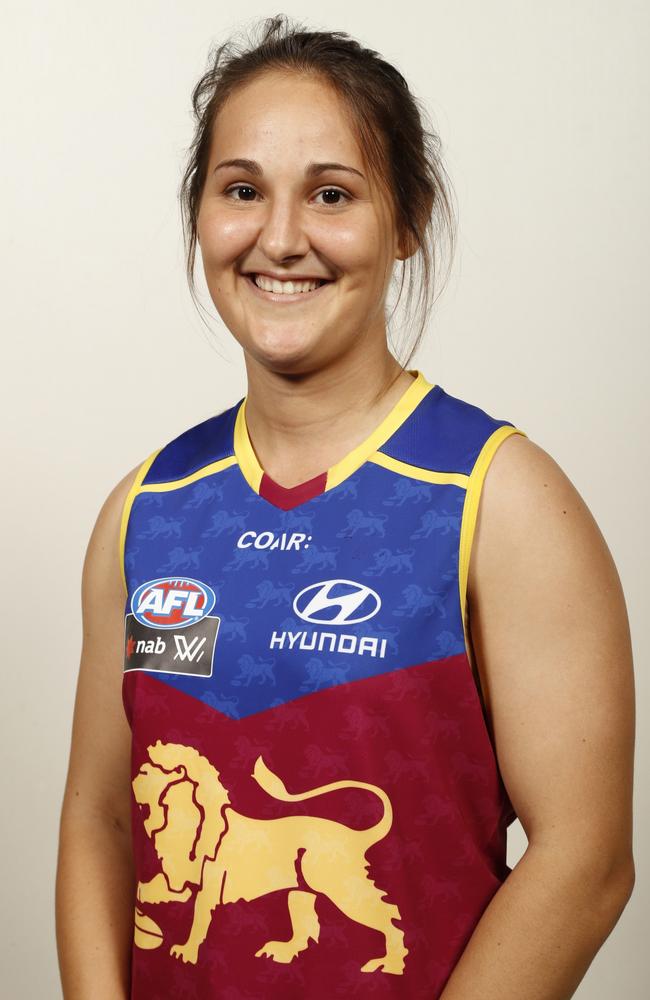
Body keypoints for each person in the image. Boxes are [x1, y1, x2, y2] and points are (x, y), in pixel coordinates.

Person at [55, 15, 635, 1000]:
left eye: (331, 194)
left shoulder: (498, 498)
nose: (280, 238)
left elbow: (584, 858)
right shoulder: (145, 509)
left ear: (404, 220)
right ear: (201, 214)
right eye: (241, 191)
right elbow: (104, 819)